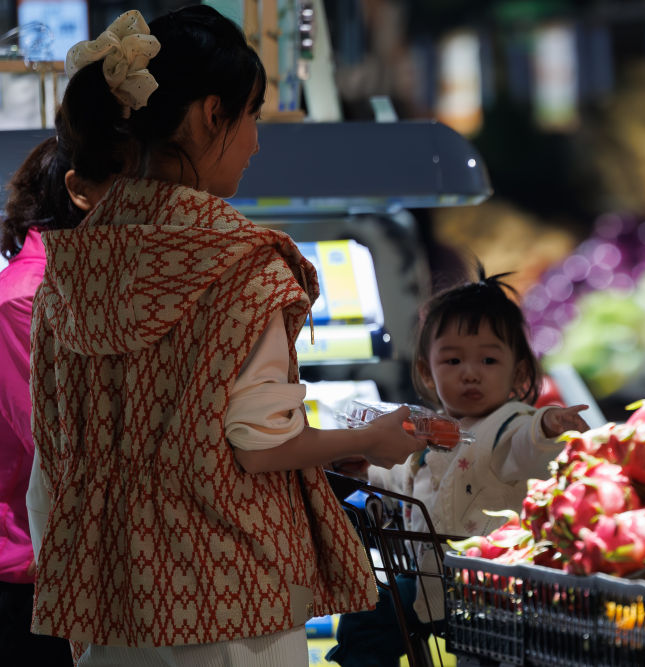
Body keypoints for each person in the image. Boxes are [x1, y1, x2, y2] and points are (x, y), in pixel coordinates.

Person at [26, 6, 424, 664]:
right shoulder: (243, 262)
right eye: (254, 115)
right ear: (213, 114)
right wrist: (371, 439)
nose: (257, 141)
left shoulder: (68, 270)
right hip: (232, 603)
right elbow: (260, 442)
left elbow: (53, 466)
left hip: (111, 607)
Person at [331, 264, 589, 667]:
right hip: (431, 581)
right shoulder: (427, 430)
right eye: (452, 361)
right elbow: (400, 476)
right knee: (368, 613)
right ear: (426, 372)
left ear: (518, 372)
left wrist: (549, 424)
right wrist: (364, 468)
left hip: (498, 591)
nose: (470, 373)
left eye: (488, 360)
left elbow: (530, 447)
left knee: (483, 655)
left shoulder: (510, 424)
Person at [0, 123, 105, 666]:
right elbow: (55, 438)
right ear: (80, 193)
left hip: (60, 565)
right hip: (32, 575)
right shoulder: (29, 295)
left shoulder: (63, 285)